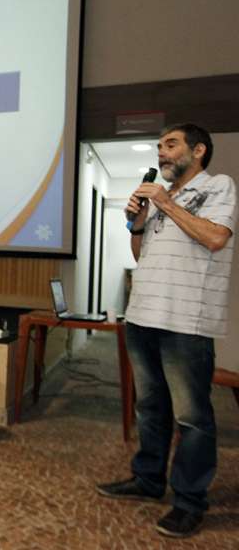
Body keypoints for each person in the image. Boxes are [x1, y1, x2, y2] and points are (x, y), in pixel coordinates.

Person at [96, 124, 236, 538]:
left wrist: (166, 204)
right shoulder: (160, 198)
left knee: (191, 417)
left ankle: (190, 501)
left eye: (170, 145)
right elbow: (142, 257)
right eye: (159, 147)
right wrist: (137, 223)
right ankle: (148, 479)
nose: (162, 153)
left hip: (185, 321)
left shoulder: (218, 186)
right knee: (150, 408)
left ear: (199, 150)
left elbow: (215, 238)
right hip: (143, 317)